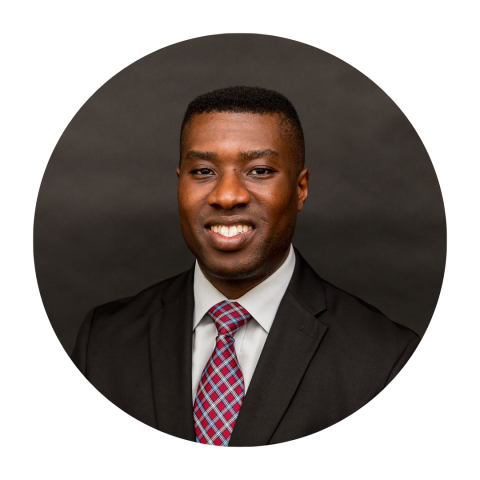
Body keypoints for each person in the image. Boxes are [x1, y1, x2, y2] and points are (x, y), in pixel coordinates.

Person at [72, 86, 420, 447]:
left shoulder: (386, 361)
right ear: (179, 183)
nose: (227, 195)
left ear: (300, 189)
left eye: (259, 170)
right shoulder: (102, 343)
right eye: (204, 171)